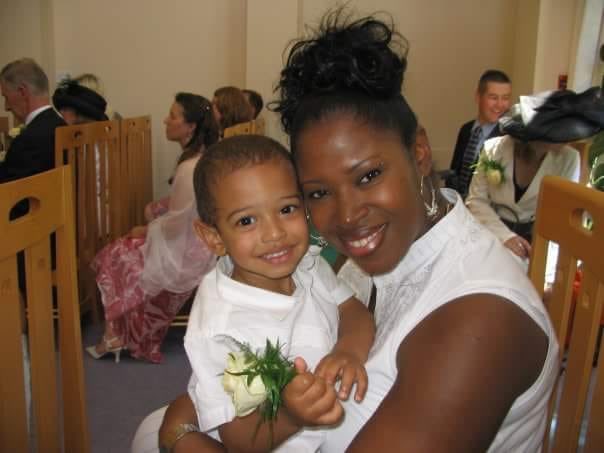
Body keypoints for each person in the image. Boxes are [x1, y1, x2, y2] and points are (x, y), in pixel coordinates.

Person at [148, 10, 560, 452]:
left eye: (368, 176)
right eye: (318, 193)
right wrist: (184, 421)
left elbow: (196, 415)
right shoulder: (381, 257)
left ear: (420, 151)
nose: (346, 217)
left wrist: (179, 433)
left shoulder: (479, 321)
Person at [179, 134, 373, 452]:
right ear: (213, 236)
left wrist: (348, 351)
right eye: (246, 220)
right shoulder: (219, 328)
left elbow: (354, 311)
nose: (275, 234)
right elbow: (237, 440)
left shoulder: (307, 263)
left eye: (286, 209)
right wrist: (289, 416)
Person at [87, 93, 218, 364]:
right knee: (126, 244)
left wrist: (147, 230)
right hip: (198, 242)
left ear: (190, 126)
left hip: (190, 251)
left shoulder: (189, 166)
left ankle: (118, 334)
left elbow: (177, 224)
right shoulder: (200, 158)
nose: (165, 120)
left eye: (172, 115)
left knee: (115, 253)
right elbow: (186, 208)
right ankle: (117, 331)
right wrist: (155, 214)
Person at [466, 88, 604, 261]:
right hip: (491, 235)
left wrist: (545, 263)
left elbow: (562, 216)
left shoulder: (569, 158)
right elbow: (476, 201)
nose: (570, 138)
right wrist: (506, 237)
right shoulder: (493, 149)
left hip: (536, 245)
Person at [446, 70, 512, 198]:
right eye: (493, 97)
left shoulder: (508, 137)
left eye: (505, 98)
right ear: (478, 97)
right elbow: (454, 172)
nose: (499, 105)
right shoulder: (466, 129)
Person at [0, 58, 66, 185]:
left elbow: (12, 196)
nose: (6, 107)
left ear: (22, 92)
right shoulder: (61, 125)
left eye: (6, 97)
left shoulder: (28, 141)